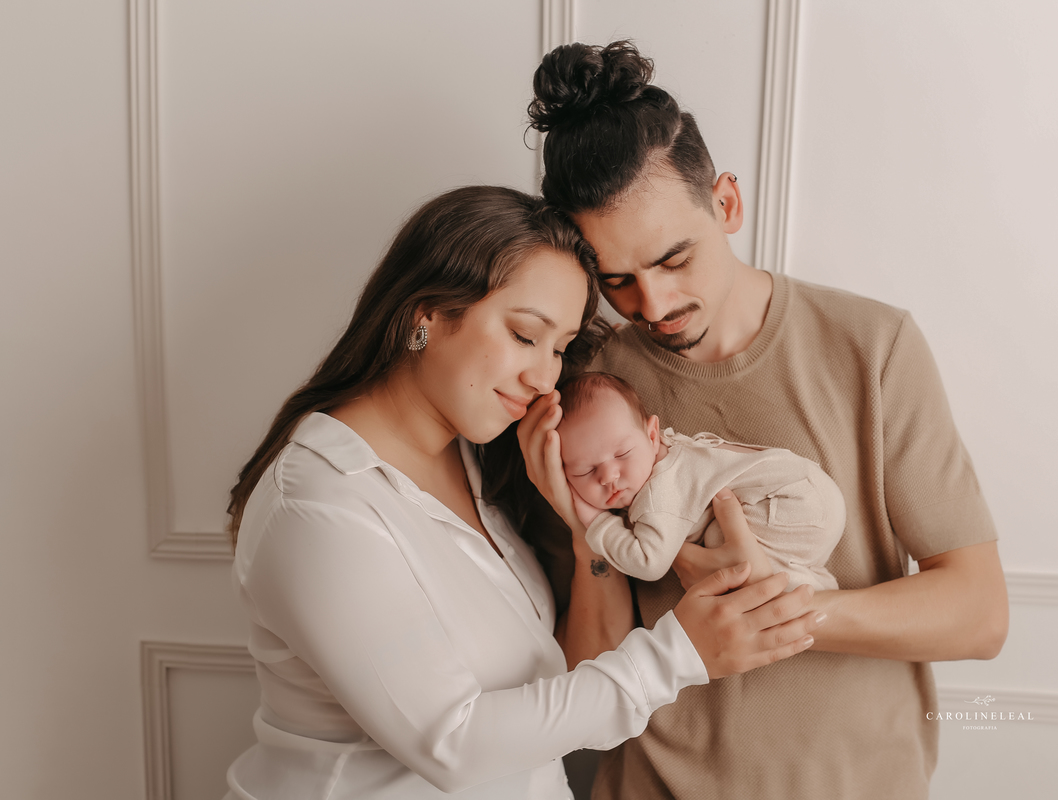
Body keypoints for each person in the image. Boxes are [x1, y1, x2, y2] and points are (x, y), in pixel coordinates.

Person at [220, 186, 825, 800]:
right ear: (425, 316)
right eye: (524, 335)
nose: (544, 377)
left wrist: (581, 517)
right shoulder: (317, 506)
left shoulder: (472, 459)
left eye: (559, 349)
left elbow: (566, 682)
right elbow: (452, 744)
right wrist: (681, 655)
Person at [521, 42, 1010, 798]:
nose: (653, 304)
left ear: (726, 204)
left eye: (674, 259)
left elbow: (979, 616)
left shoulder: (872, 346)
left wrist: (777, 604)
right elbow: (590, 683)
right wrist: (580, 522)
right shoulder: (590, 392)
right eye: (616, 281)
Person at [555, 371, 843, 590]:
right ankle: (814, 579)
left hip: (790, 501)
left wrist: (596, 521)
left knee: (722, 540)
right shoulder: (668, 452)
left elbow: (649, 563)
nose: (608, 476)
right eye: (584, 471)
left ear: (652, 436)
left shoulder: (657, 494)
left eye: (622, 454)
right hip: (812, 490)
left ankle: (809, 591)